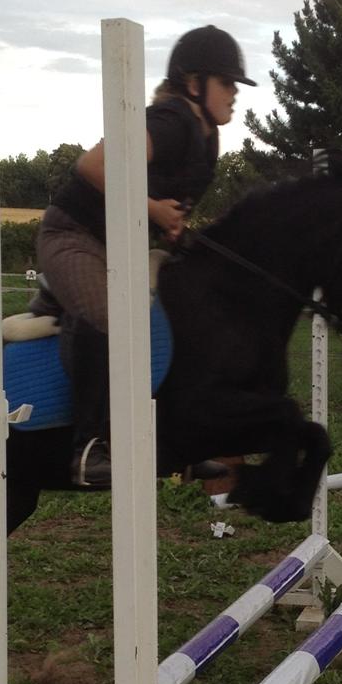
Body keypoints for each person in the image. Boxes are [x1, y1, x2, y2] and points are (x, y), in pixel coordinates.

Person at [36, 25, 256, 487]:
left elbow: (168, 212)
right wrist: (154, 208)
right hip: (72, 236)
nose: (235, 93)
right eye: (227, 82)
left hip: (122, 246)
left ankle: (178, 438)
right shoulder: (170, 121)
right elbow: (92, 165)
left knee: (190, 313)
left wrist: (175, 227)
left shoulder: (208, 139)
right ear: (194, 83)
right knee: (112, 317)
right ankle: (89, 447)